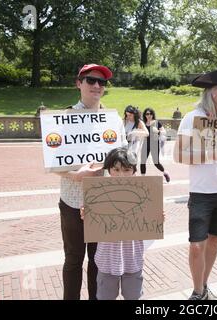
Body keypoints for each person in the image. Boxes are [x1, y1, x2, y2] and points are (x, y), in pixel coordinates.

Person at [56, 63, 127, 300]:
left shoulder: (114, 120)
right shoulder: (63, 119)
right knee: (74, 260)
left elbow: (123, 157)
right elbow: (54, 162)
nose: (97, 85)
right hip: (72, 199)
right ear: (79, 83)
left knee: (99, 261)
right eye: (91, 80)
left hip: (103, 200)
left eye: (102, 82)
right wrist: (74, 175)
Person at [174, 69, 217, 300]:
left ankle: (203, 286)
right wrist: (211, 154)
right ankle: (197, 292)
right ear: (211, 92)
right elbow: (179, 156)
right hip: (201, 193)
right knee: (197, 245)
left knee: (215, 241)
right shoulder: (192, 118)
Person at [80, 147, 153, 300]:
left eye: (127, 170)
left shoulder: (145, 193)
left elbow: (150, 224)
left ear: (134, 171)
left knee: (133, 296)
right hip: (107, 259)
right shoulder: (98, 192)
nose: (121, 174)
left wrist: (157, 219)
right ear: (109, 170)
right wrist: (86, 215)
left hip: (132, 258)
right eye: (116, 169)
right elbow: (94, 222)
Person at [140, 107, 170, 183]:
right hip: (145, 144)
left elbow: (164, 132)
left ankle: (165, 173)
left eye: (150, 114)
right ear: (145, 115)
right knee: (142, 161)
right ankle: (142, 178)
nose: (149, 115)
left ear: (153, 115)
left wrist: (158, 132)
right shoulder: (143, 123)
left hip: (154, 144)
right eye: (147, 114)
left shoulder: (156, 122)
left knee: (156, 162)